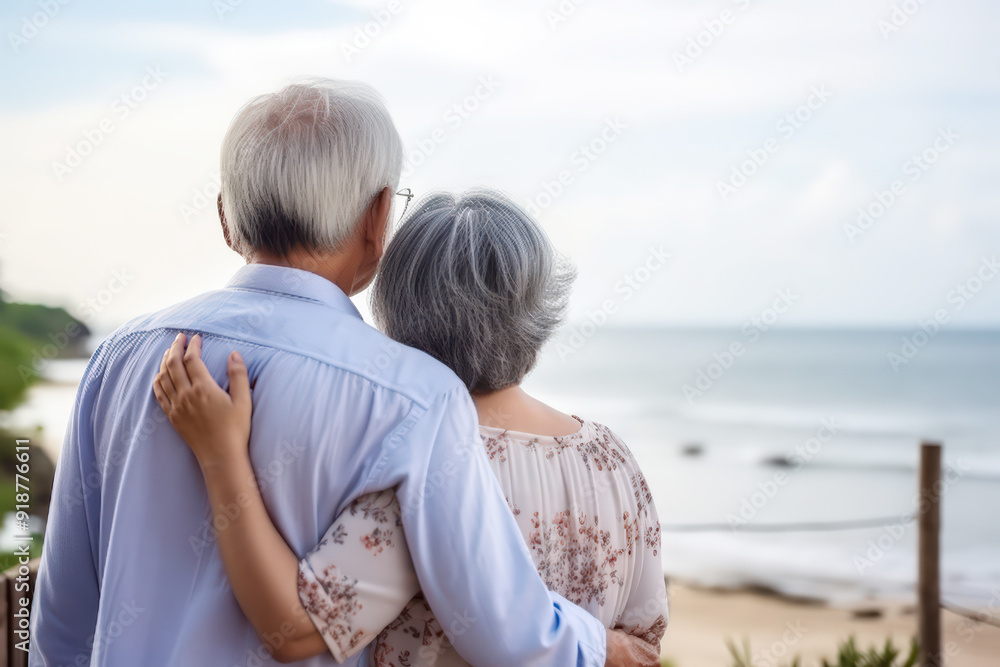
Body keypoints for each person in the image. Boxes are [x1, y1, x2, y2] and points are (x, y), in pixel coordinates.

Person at [30, 79, 653, 666]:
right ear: (379, 217)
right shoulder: (412, 398)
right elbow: (499, 618)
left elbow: (63, 613)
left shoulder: (121, 355)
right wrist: (603, 647)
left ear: (226, 216)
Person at [153, 190, 668, 666]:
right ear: (537, 308)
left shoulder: (421, 455)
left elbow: (300, 626)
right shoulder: (611, 457)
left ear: (397, 304)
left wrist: (222, 453)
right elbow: (643, 644)